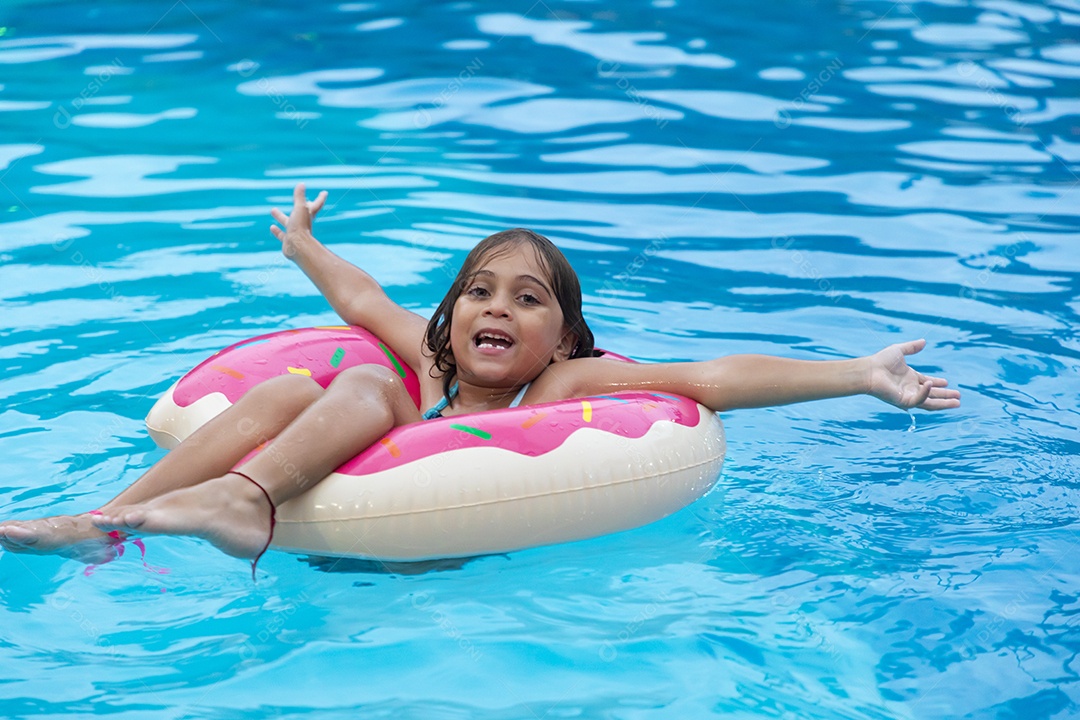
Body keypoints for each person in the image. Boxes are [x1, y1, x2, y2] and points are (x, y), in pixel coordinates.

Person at [0, 184, 961, 571]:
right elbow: (361, 299)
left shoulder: (563, 394)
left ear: (566, 339)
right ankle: (105, 522)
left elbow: (707, 378)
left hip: (432, 551)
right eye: (479, 292)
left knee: (368, 394)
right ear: (451, 319)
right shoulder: (425, 366)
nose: (498, 309)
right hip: (340, 537)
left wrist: (859, 374)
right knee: (309, 389)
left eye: (530, 300)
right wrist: (305, 247)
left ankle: (242, 501)